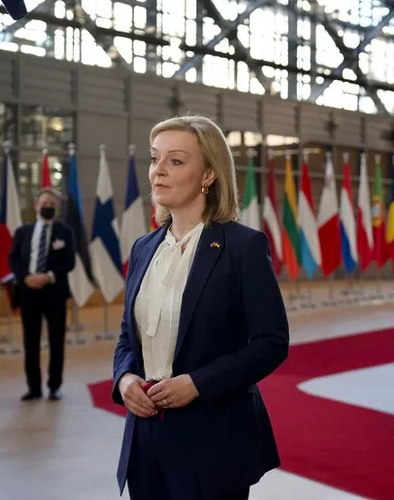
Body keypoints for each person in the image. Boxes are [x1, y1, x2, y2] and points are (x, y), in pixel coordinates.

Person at [112, 116, 289, 500]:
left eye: (175, 161)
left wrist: (197, 384)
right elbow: (128, 339)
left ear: (209, 174)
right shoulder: (143, 248)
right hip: (146, 439)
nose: (158, 171)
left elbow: (271, 343)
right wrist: (125, 381)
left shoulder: (243, 247)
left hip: (214, 441)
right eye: (155, 159)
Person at [9, 188, 75, 401]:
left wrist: (48, 277)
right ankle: (33, 387)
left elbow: (69, 262)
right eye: (44, 203)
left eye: (51, 204)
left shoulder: (64, 232)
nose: (47, 206)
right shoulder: (23, 232)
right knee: (31, 341)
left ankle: (55, 386)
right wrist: (26, 277)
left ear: (55, 208)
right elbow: (13, 259)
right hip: (29, 293)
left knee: (57, 341)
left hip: (54, 293)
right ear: (36, 206)